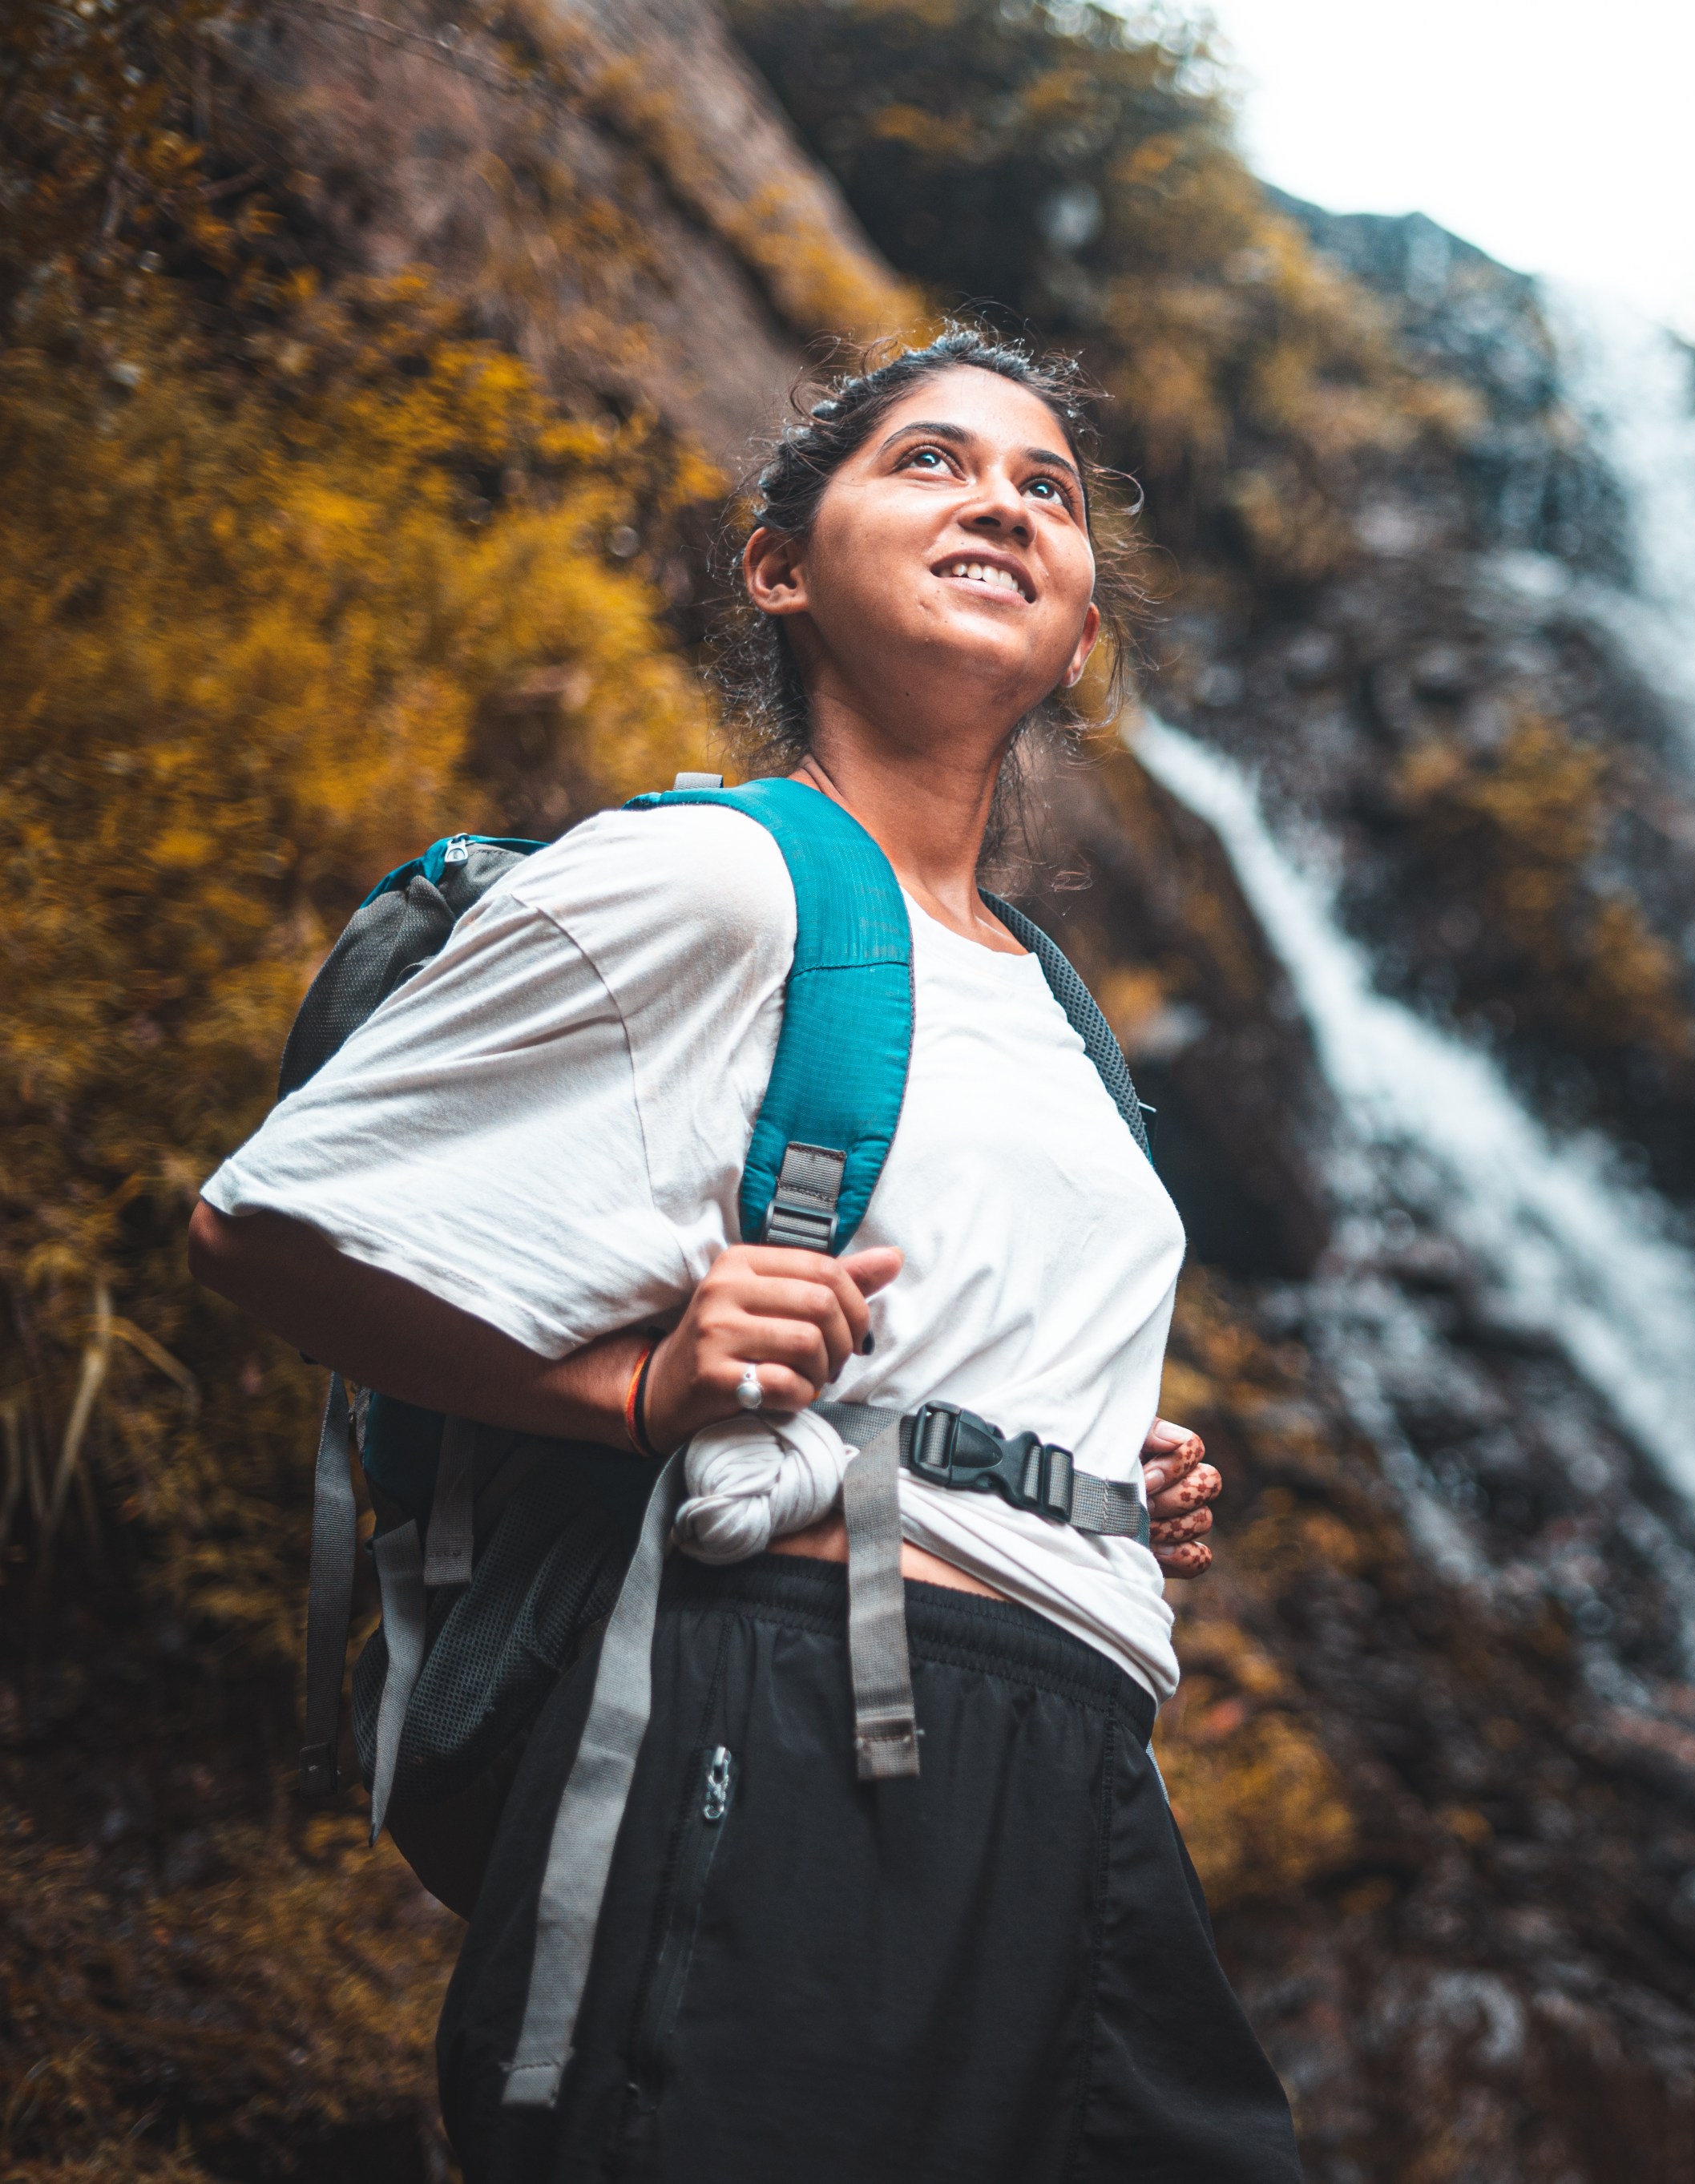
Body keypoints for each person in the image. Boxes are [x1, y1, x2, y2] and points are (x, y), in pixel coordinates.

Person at [189, 328, 1305, 2182]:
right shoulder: (717, 879)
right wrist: (632, 1388)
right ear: (779, 567)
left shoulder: (1061, 1009)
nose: (1002, 506)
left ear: (1087, 630)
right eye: (931, 464)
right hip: (793, 1699)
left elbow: (948, 1322)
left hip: (1087, 1745)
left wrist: (1108, 1474)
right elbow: (269, 1219)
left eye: (1046, 489)